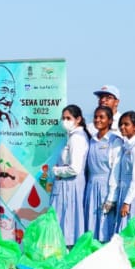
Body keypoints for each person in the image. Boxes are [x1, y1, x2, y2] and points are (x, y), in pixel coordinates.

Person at [52, 105, 90, 248]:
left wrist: (57, 171)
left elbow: (75, 168)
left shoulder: (77, 138)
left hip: (70, 184)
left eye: (69, 118)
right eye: (63, 118)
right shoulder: (72, 136)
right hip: (67, 184)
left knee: (68, 220)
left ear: (78, 119)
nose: (65, 121)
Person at [84, 106, 123, 243]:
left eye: (102, 117)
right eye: (95, 117)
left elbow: (116, 171)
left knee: (105, 225)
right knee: (91, 221)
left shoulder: (115, 141)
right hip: (91, 186)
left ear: (110, 120)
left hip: (106, 186)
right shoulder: (92, 140)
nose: (97, 120)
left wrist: (111, 197)